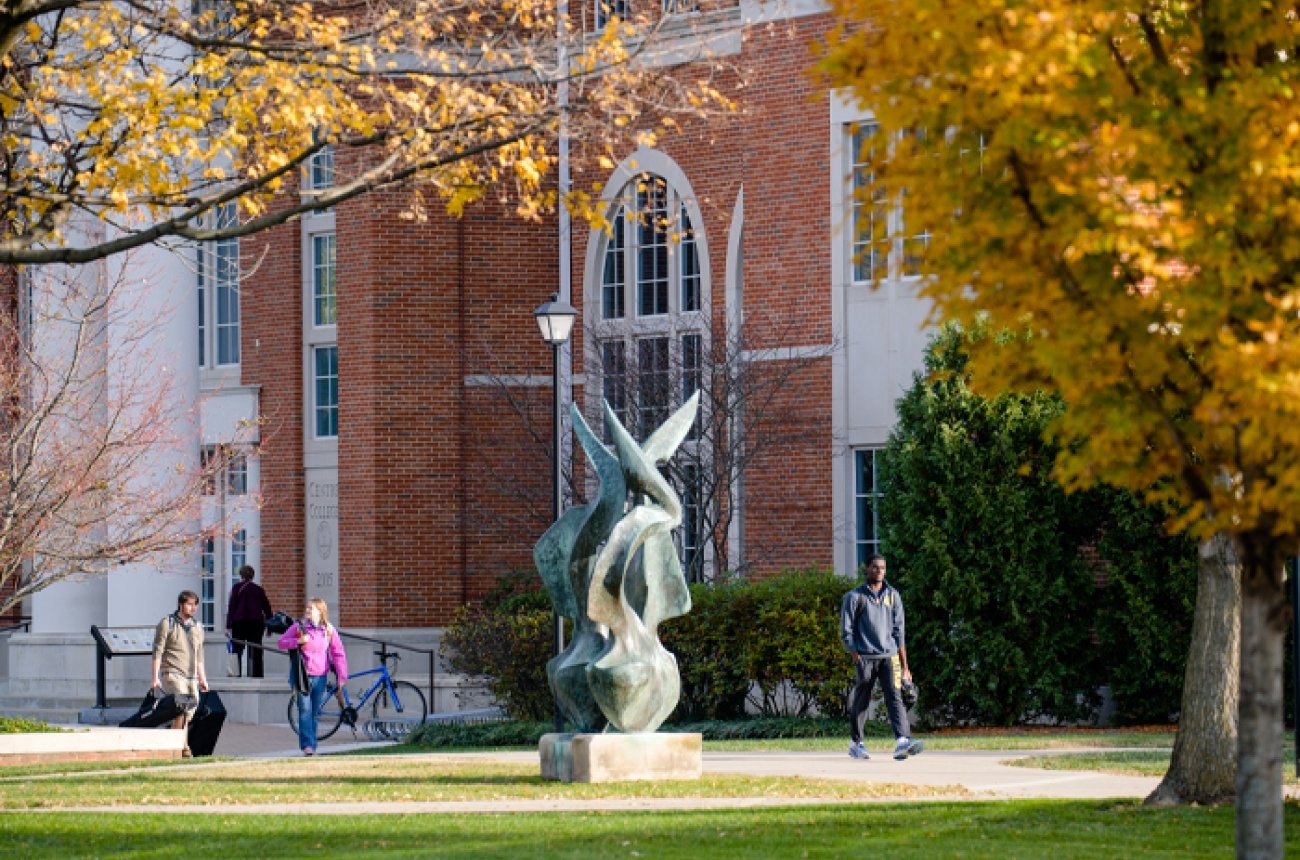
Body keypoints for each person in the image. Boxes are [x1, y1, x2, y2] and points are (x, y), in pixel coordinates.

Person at [839, 554, 924, 761]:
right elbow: (846, 630)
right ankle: (856, 744)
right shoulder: (854, 597)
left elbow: (899, 632)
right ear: (867, 569)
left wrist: (905, 667)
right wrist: (855, 654)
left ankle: (903, 741)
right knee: (862, 700)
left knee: (895, 698)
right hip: (865, 657)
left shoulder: (893, 596)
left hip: (889, 657)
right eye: (875, 567)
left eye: (883, 568)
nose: (879, 571)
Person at [278, 597, 348, 756]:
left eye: (311, 608)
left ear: (320, 611)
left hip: (320, 677)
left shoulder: (328, 630)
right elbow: (281, 643)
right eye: (307, 607)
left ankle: (312, 746)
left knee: (314, 712)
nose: (307, 610)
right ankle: (307, 746)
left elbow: (338, 654)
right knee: (305, 710)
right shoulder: (299, 627)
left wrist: (342, 676)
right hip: (302, 676)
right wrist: (298, 641)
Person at [150, 590, 209, 757]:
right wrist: (154, 678)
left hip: (192, 678)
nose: (193, 608)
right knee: (181, 710)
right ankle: (182, 747)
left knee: (187, 714)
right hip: (172, 673)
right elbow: (157, 652)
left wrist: (203, 679)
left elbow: (199, 655)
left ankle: (174, 747)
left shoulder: (198, 627)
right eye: (189, 604)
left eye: (195, 604)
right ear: (181, 605)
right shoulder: (167, 623)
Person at [226, 564, 273, 677]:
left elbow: (232, 607)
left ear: (241, 575)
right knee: (256, 650)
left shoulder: (236, 588)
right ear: (252, 576)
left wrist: (228, 626)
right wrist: (270, 627)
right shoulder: (259, 589)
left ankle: (235, 675)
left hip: (239, 623)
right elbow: (267, 608)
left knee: (237, 650)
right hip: (256, 623)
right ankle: (256, 675)